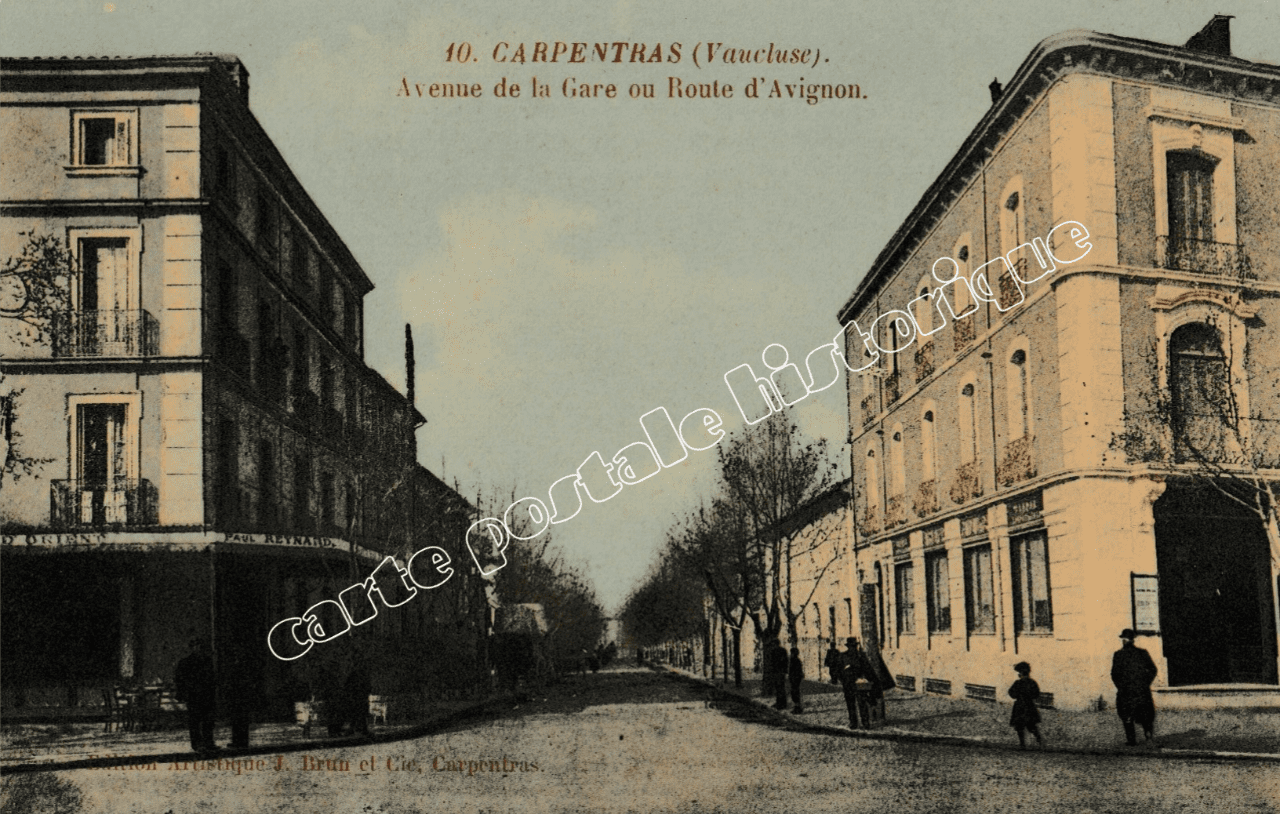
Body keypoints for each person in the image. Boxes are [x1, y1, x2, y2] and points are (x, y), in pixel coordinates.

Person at [1111, 629, 1158, 746]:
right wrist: (1145, 683)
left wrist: (1120, 686)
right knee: (1145, 714)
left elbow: (1114, 674)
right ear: (1133, 640)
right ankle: (1148, 736)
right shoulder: (1142, 653)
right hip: (1141, 690)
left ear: (1124, 640)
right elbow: (1153, 669)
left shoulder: (1118, 655)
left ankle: (1131, 740)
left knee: (1127, 715)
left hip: (1126, 691)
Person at [174, 638, 218, 753]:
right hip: (193, 695)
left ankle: (209, 742)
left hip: (206, 694)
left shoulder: (207, 661)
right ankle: (197, 744)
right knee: (195, 721)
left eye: (201, 646)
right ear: (192, 648)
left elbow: (212, 678)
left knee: (208, 720)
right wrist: (182, 694)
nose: (199, 648)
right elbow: (180, 680)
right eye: (196, 646)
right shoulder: (185, 662)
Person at [839, 637, 875, 729]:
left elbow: (867, 668)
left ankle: (865, 722)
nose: (853, 648)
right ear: (848, 647)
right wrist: (843, 678)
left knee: (862, 703)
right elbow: (838, 670)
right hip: (848, 683)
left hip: (859, 683)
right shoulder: (843, 656)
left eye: (854, 646)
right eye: (851, 646)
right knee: (850, 704)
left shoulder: (861, 656)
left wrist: (867, 679)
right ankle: (853, 723)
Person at [1008, 661, 1044, 749]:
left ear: (1021, 673)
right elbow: (1036, 694)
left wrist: (1019, 695)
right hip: (1029, 706)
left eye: (1019, 672)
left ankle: (1023, 744)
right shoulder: (1032, 682)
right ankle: (1040, 742)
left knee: (1020, 726)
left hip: (1020, 706)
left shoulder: (1018, 683)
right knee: (1030, 725)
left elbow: (1011, 693)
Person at [768, 639, 790, 710]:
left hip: (779, 672)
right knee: (779, 688)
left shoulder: (779, 651)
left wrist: (784, 671)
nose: (773, 646)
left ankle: (782, 704)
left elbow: (785, 661)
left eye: (773, 644)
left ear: (775, 644)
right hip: (778, 672)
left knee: (780, 688)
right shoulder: (779, 651)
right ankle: (780, 703)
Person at [788, 646, 805, 714]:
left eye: (792, 653)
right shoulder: (795, 660)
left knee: (795, 693)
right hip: (795, 678)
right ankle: (797, 707)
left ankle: (798, 708)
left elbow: (795, 671)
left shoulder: (795, 660)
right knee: (794, 692)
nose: (791, 654)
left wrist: (793, 678)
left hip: (795, 679)